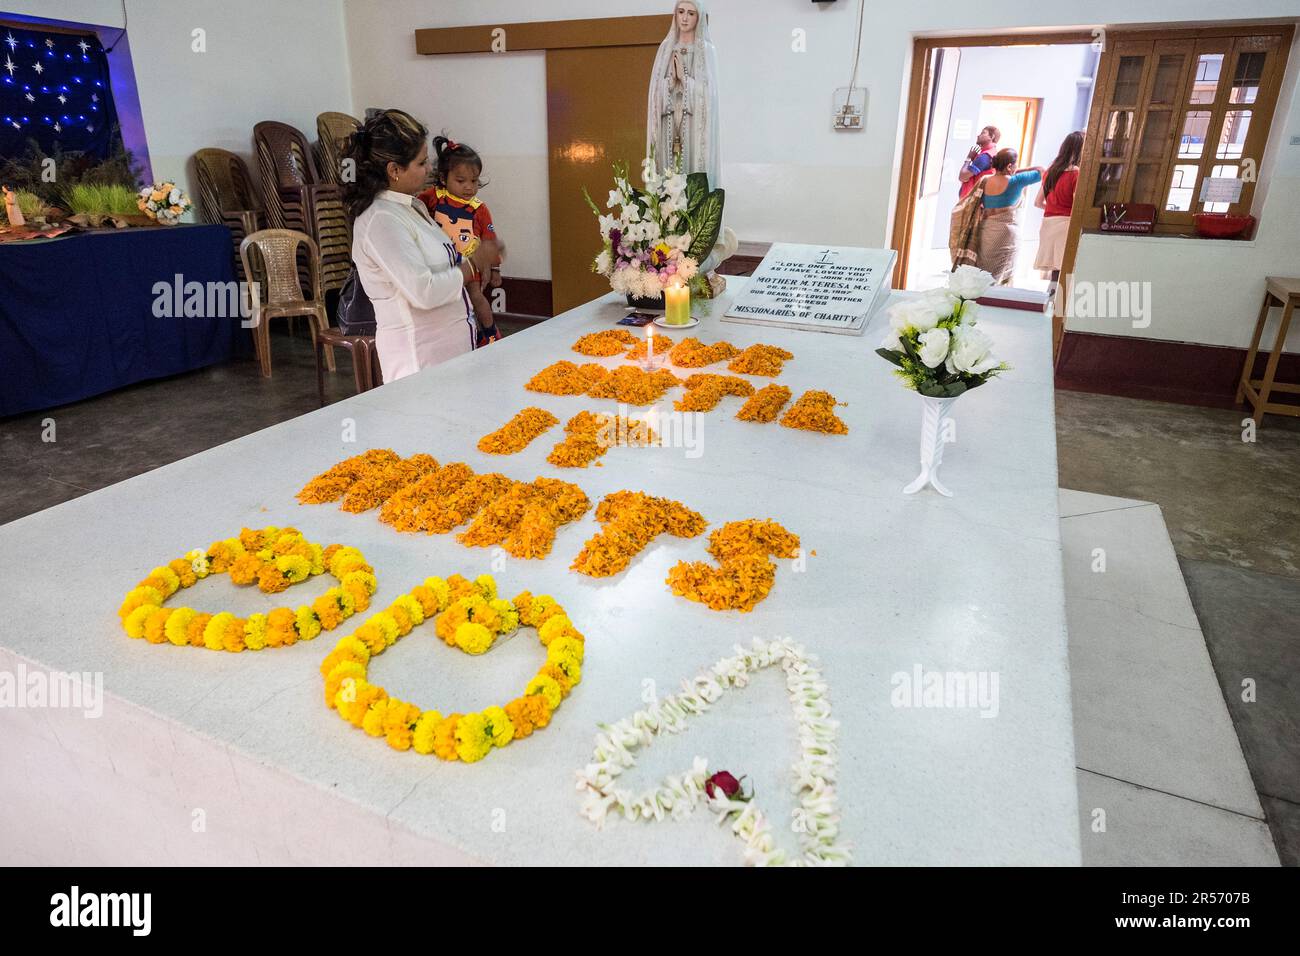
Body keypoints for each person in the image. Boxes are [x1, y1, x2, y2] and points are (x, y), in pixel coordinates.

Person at [343, 110, 503, 382]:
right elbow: (424, 291)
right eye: (420, 163)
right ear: (394, 170)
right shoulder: (381, 219)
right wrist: (473, 265)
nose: (429, 169)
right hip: (418, 363)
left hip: (447, 358)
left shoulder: (412, 206)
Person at [418, 136, 503, 346]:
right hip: (441, 264)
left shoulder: (478, 208)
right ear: (444, 178)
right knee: (451, 302)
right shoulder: (432, 197)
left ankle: (491, 333)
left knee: (475, 296)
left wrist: (495, 269)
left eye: (474, 181)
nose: (468, 187)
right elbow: (414, 210)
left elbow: (489, 239)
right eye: (461, 181)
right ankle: (465, 335)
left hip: (469, 261)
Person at [647, 0, 721, 186]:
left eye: (691, 13)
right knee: (667, 176)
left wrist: (685, 79)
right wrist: (670, 83)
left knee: (692, 173)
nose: (685, 18)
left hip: (694, 134)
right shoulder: (665, 50)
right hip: (668, 128)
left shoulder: (706, 51)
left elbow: (709, 97)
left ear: (699, 18)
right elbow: (654, 96)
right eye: (681, 12)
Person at [977, 148, 1043, 285]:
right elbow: (1042, 171)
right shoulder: (1016, 181)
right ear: (1009, 166)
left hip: (986, 231)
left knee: (984, 271)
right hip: (1006, 234)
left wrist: (1007, 169)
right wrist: (1026, 168)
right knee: (1001, 277)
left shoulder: (985, 181)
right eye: (1015, 165)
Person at [1035, 130, 1084, 302]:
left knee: (1056, 270)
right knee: (1067, 267)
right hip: (1066, 223)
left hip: (1048, 223)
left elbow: (1037, 202)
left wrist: (1054, 208)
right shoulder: (1076, 173)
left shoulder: (1050, 171)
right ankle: (1059, 308)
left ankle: (1050, 302)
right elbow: (1077, 203)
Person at [957, 125, 999, 200]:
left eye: (983, 133)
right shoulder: (991, 153)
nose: (978, 135)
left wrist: (968, 158)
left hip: (972, 202)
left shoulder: (985, 156)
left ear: (991, 137)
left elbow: (962, 176)